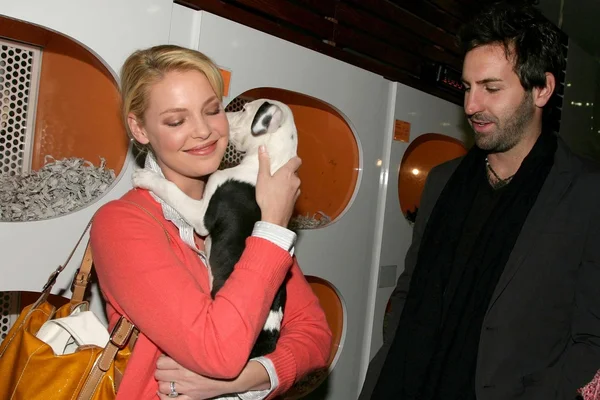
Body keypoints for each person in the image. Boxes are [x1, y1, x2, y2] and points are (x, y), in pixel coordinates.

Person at [359, 1, 600, 399]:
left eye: (491, 88)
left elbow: (591, 338)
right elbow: (410, 287)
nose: (471, 106)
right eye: (468, 87)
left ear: (542, 89)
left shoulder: (586, 193)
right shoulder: (442, 180)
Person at [90, 44, 332, 399]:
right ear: (140, 129)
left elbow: (315, 336)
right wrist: (272, 230)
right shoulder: (122, 224)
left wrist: (250, 376)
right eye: (176, 120)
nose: (204, 131)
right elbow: (218, 351)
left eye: (212, 110)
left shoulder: (248, 209)